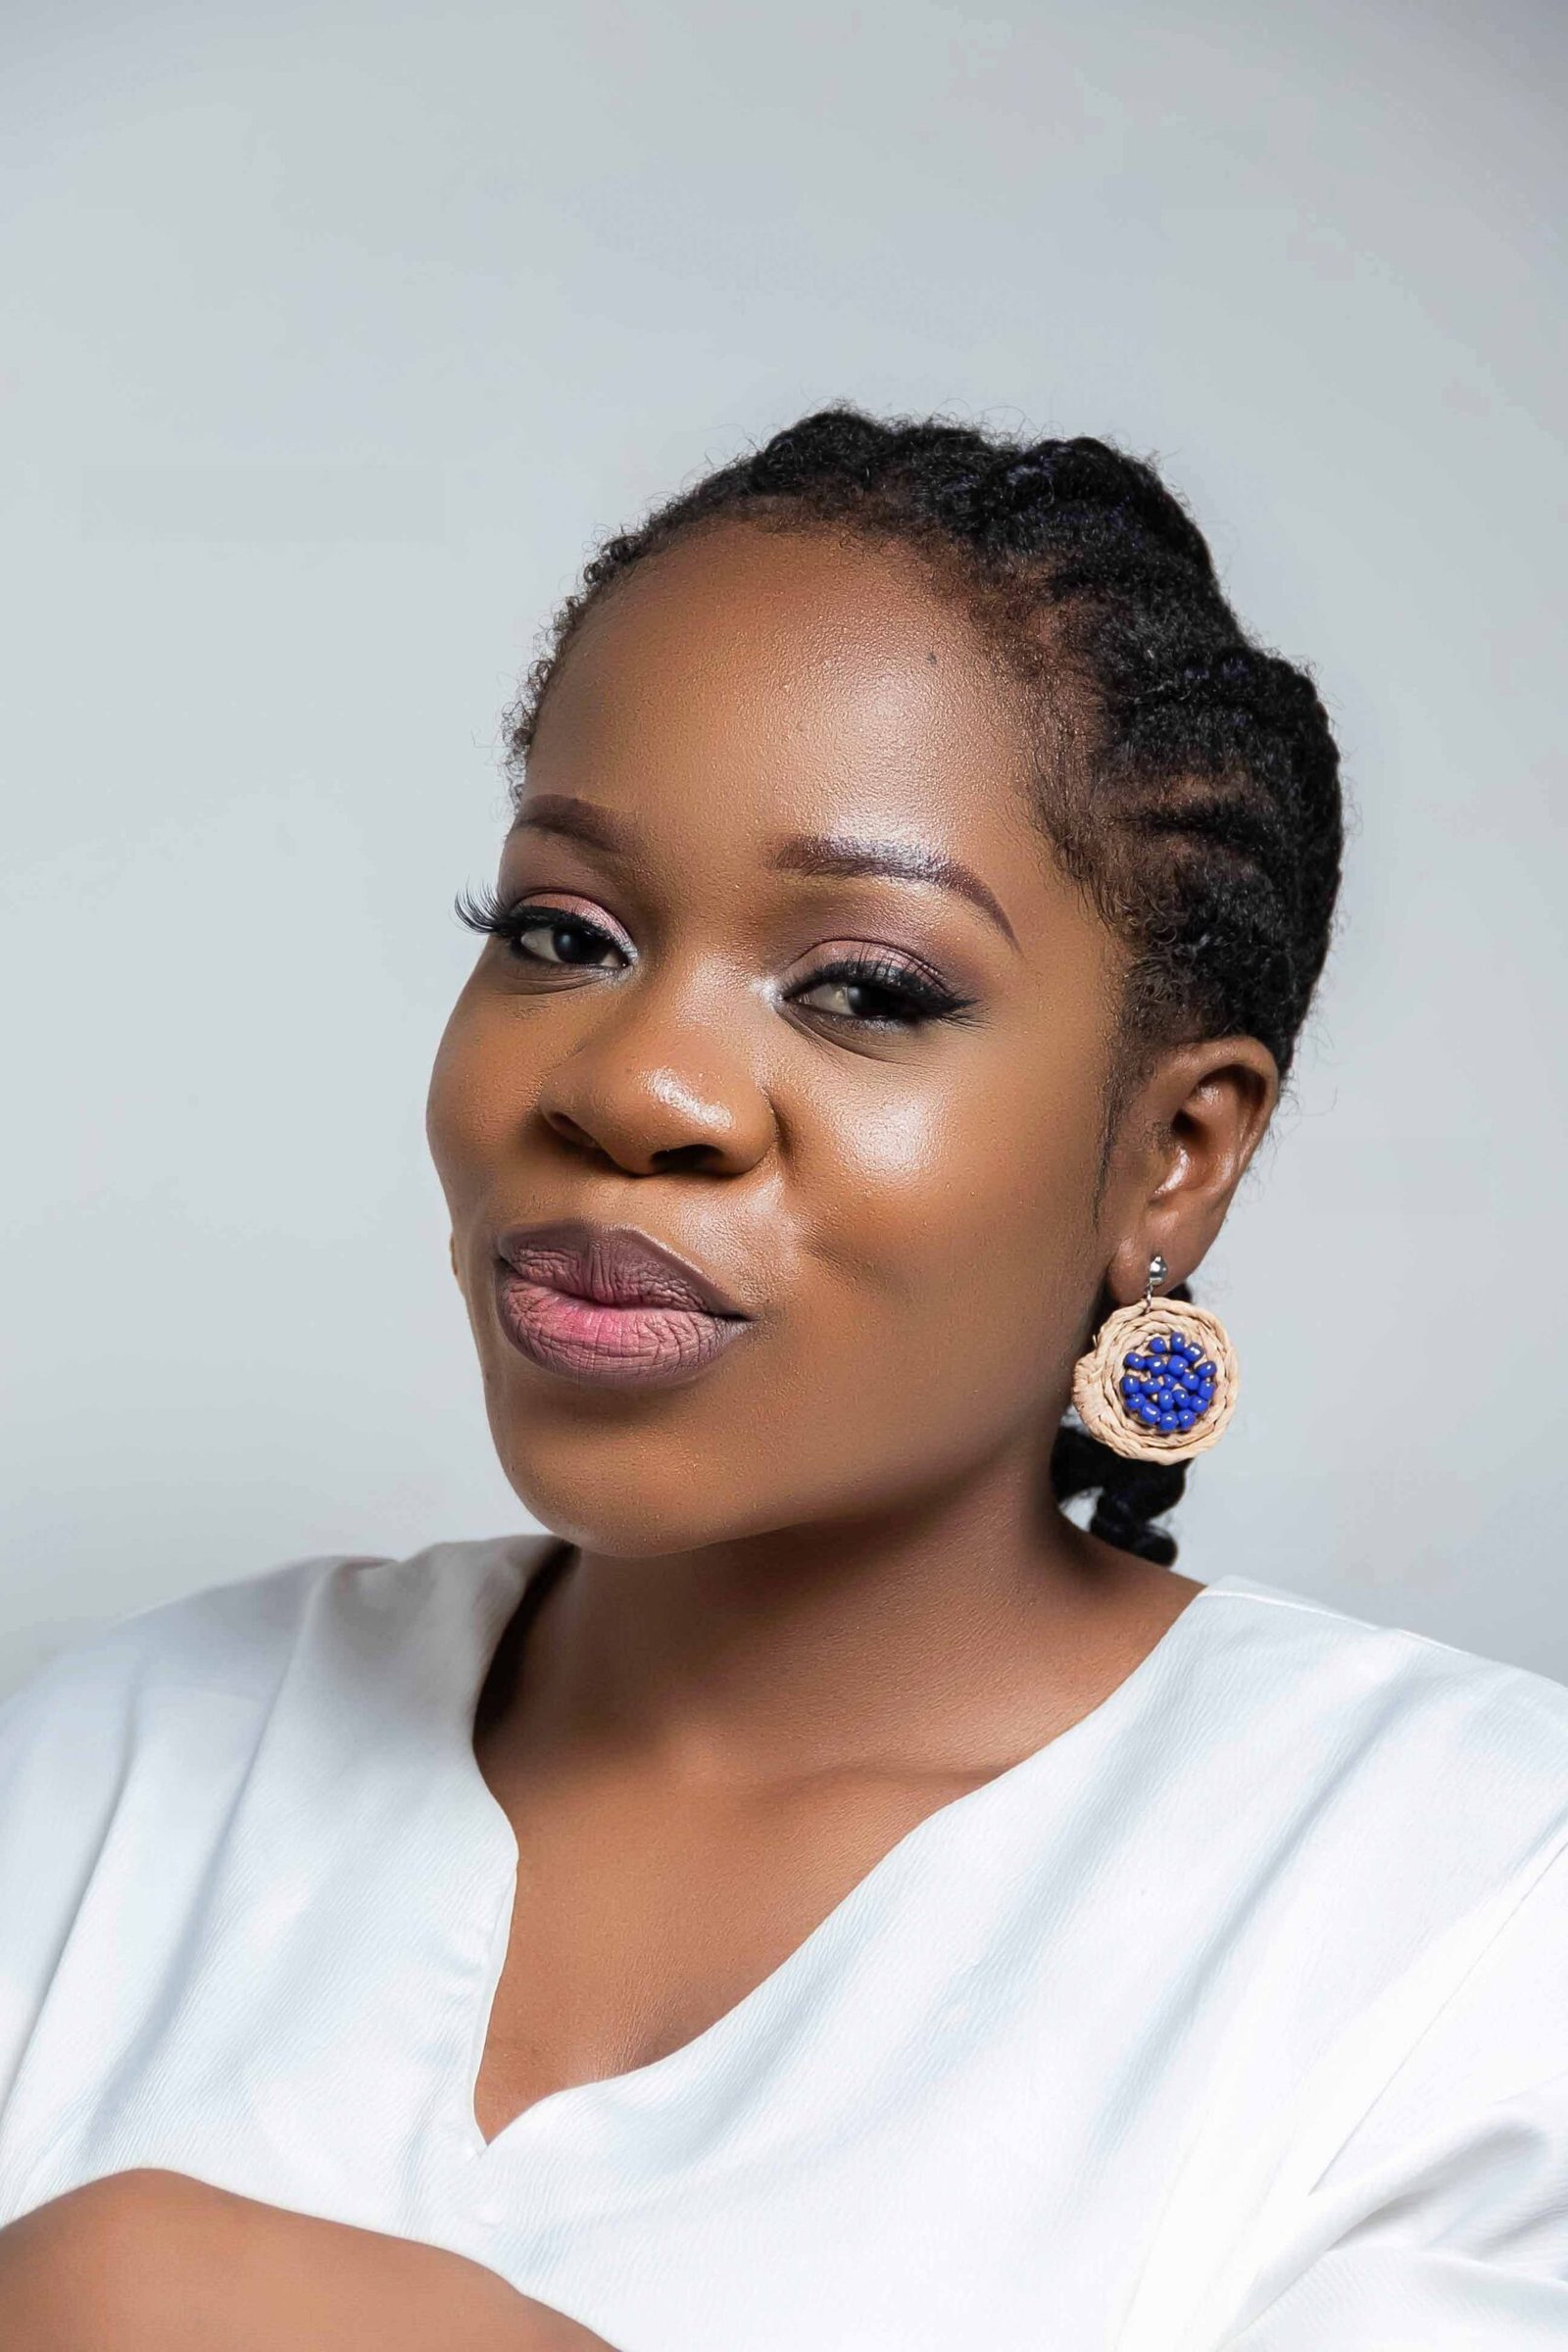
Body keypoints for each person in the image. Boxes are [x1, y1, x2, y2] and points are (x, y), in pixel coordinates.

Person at [1, 406, 1565, 2350]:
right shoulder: (112, 1771)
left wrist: (156, 2297)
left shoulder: (1474, 1905)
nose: (631, 1085)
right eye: (563, 934)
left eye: (865, 991)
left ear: (1172, 1155)